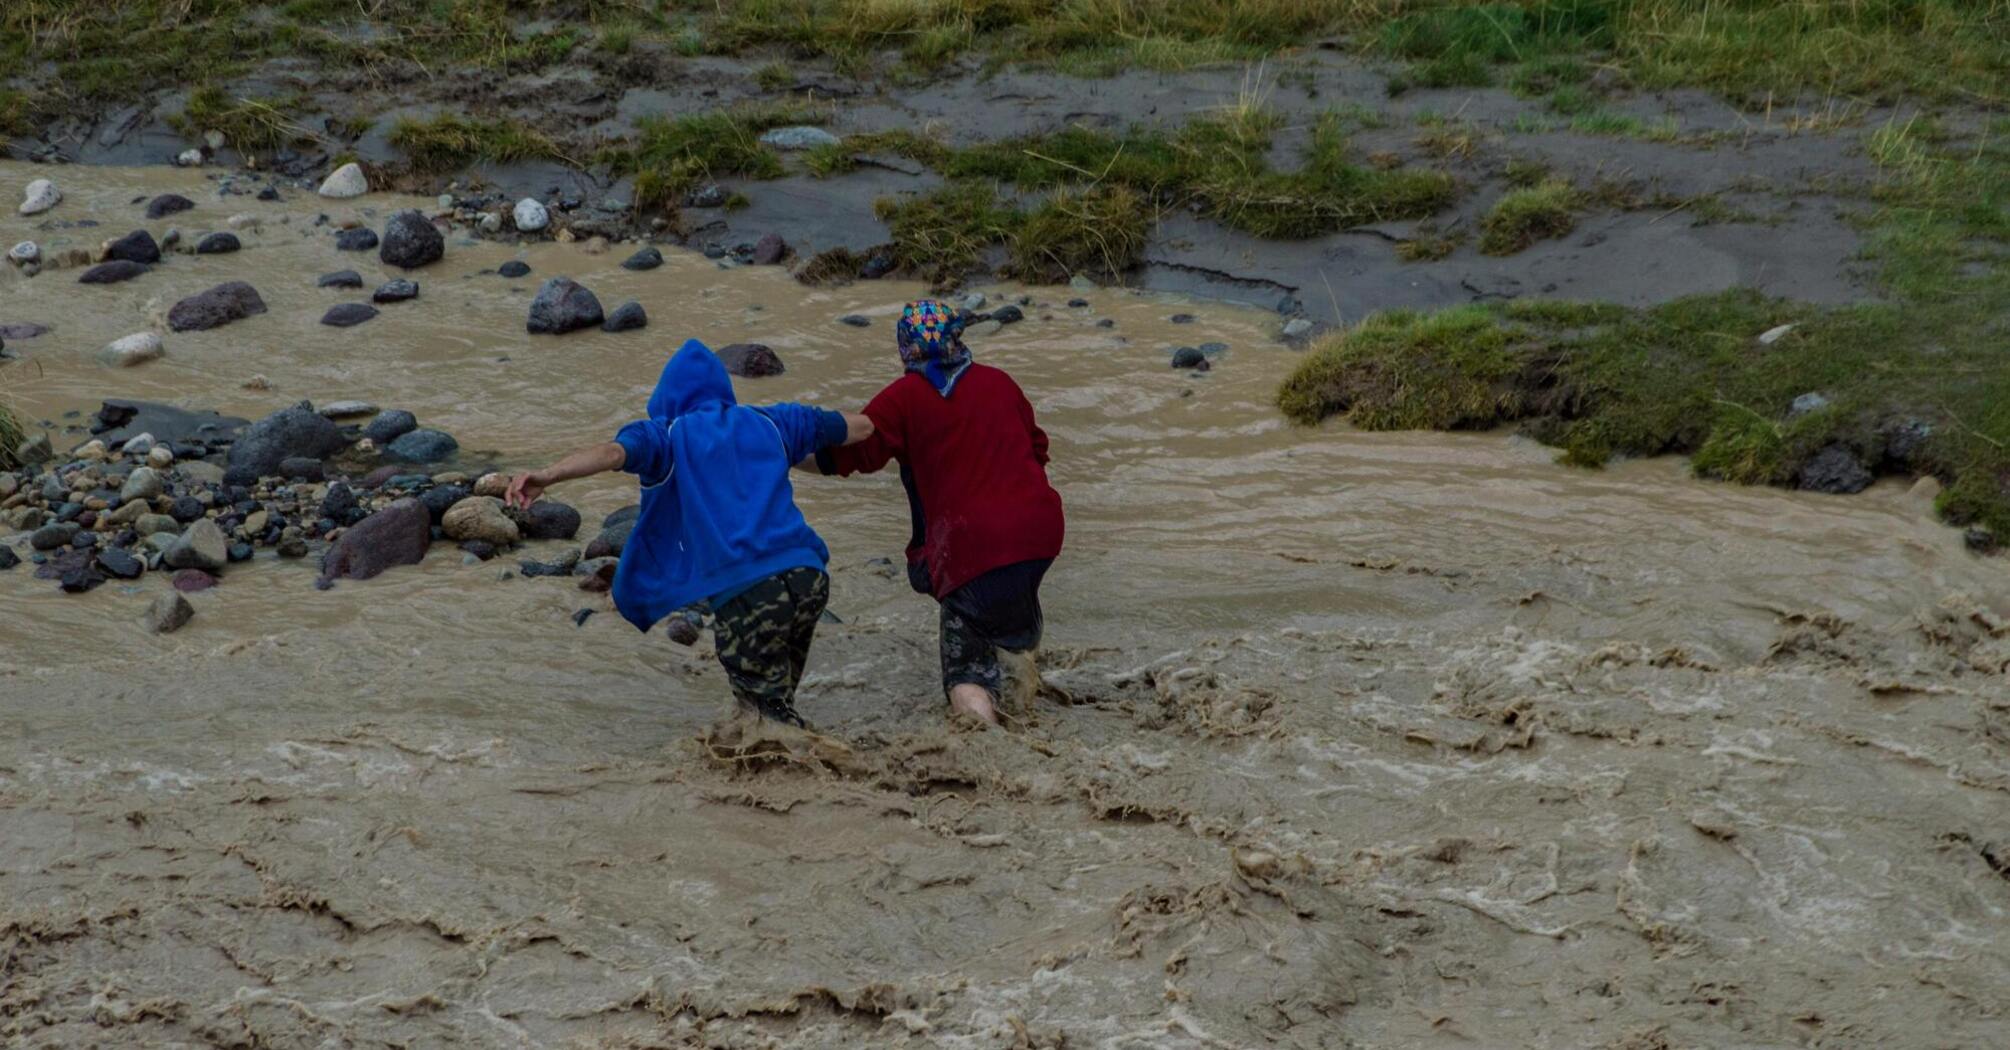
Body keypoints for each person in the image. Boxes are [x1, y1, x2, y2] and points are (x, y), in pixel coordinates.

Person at [508, 338, 872, 727]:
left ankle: (821, 772)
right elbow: (862, 426)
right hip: (808, 577)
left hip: (749, 590)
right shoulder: (773, 422)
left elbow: (612, 454)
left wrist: (548, 475)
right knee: (775, 700)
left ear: (667, 395)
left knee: (763, 718)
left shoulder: (666, 436)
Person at [818, 300, 1064, 726]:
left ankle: (991, 752)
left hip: (973, 548)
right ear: (957, 336)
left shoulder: (905, 397)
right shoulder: (1000, 383)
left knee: (964, 672)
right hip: (1039, 533)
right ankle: (1022, 705)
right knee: (1006, 626)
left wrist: (779, 449)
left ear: (906, 346)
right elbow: (1037, 448)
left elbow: (850, 454)